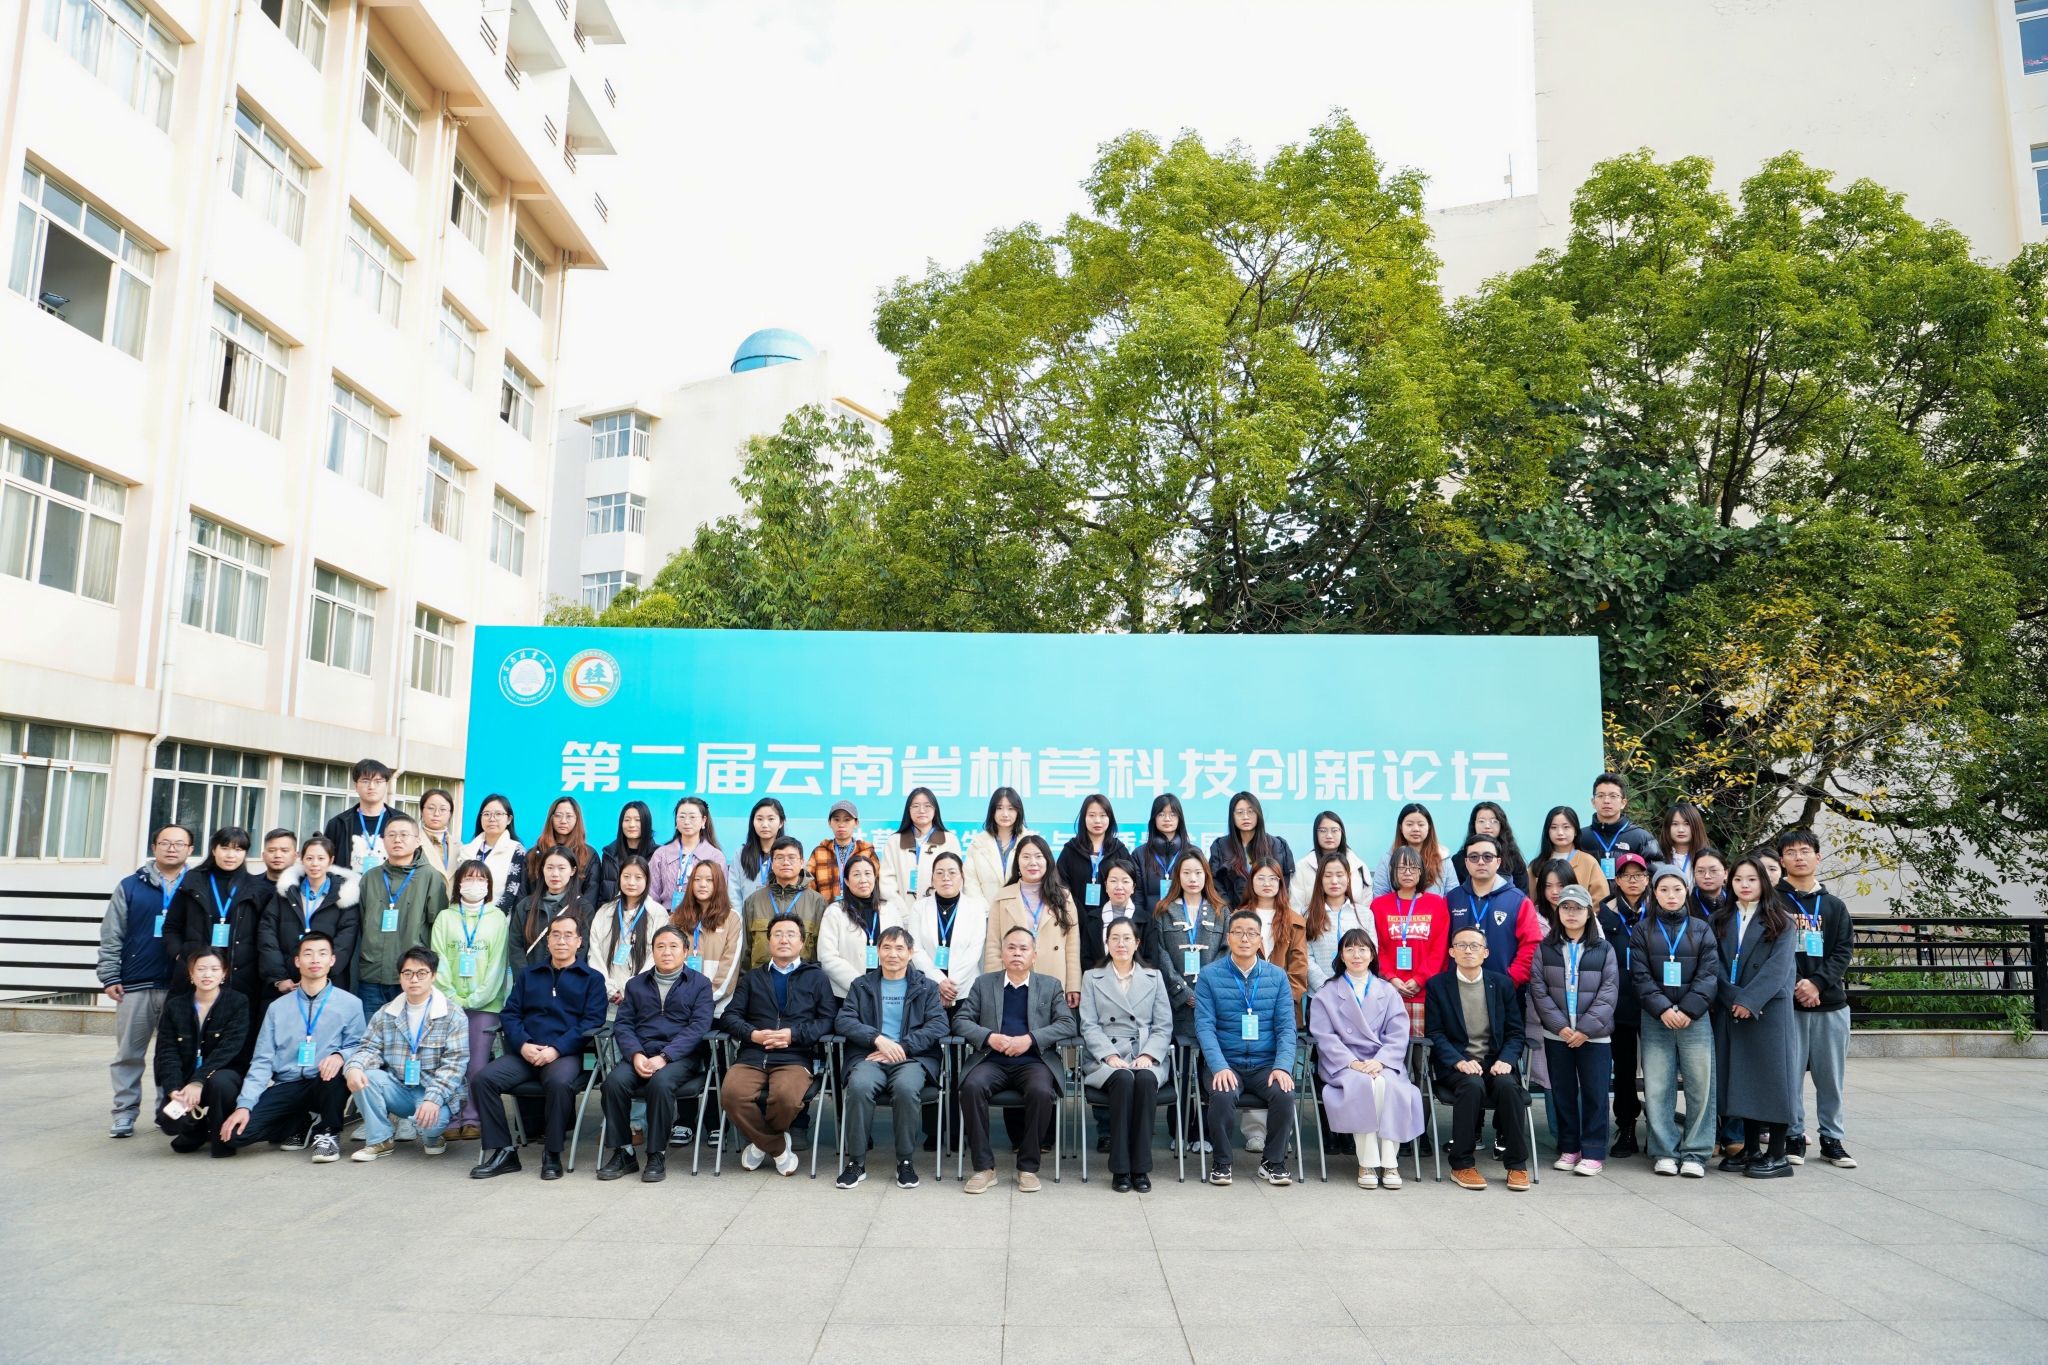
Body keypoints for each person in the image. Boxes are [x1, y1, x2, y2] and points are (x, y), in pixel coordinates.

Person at [470, 913, 608, 1180]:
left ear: (579, 941)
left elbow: (592, 1021)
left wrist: (556, 1049)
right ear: (548, 941)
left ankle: (552, 1153)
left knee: (559, 1083)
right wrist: (523, 1045)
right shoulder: (529, 975)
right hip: (526, 1052)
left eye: (568, 935)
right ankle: (503, 1151)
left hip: (565, 1055)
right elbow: (510, 1014)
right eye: (555, 935)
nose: (561, 941)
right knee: (483, 1079)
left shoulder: (591, 979)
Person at [218, 932, 367, 1161]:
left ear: (332, 960)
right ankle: (301, 1122)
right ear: (297, 961)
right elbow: (262, 1060)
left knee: (336, 1073)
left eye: (322, 954)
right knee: (236, 1136)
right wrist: (244, 1106)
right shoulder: (277, 1008)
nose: (315, 959)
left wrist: (340, 1055)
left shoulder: (350, 1004)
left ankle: (328, 1132)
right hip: (287, 1084)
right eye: (308, 954)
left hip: (323, 1083)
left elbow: (360, 1046)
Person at [955, 925, 1079, 1193]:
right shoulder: (983, 984)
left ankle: (1028, 1167)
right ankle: (984, 1168)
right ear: (1002, 953)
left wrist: (1030, 1039)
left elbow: (1068, 1024)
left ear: (1034, 955)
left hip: (1034, 1061)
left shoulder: (1049, 985)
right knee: (971, 1087)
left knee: (1041, 1092)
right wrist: (989, 1037)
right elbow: (961, 1020)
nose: (1017, 953)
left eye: (1024, 948)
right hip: (991, 1060)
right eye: (1011, 948)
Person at [718, 915, 836, 1175]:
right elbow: (729, 1017)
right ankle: (778, 1147)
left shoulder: (816, 978)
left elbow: (828, 1020)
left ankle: (760, 1145)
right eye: (778, 934)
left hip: (795, 1056)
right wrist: (753, 1035)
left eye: (791, 934)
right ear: (768, 940)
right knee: (732, 1095)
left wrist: (794, 1035)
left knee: (786, 1098)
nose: (784, 939)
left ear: (802, 942)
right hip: (753, 1054)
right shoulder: (753, 978)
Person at [596, 925, 714, 1183]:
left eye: (673, 946)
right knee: (613, 1084)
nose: (666, 952)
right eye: (660, 946)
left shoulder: (700, 984)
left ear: (685, 952)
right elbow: (623, 1024)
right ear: (653, 951)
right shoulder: (636, 984)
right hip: (641, 1053)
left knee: (660, 1084)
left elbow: (699, 1027)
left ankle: (656, 1153)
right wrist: (636, 1054)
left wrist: (665, 1056)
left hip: (680, 1056)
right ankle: (624, 1152)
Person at [1308, 929, 1425, 1189]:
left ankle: (1390, 1161)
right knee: (1364, 1085)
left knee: (1387, 1085)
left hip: (1383, 1062)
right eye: (1350, 949)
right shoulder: (1327, 992)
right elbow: (1324, 1036)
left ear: (1372, 954)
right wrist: (1352, 1063)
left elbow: (1398, 1033)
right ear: (1341, 955)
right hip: (1344, 1064)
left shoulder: (1388, 991)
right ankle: (1368, 1162)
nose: (1356, 955)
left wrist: (1381, 1061)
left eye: (1362, 949)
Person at [97, 823, 191, 1138]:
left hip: (181, 986)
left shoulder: (197, 885)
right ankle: (124, 1113)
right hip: (136, 983)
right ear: (154, 847)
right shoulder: (130, 886)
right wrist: (110, 974)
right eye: (165, 842)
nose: (172, 848)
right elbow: (112, 934)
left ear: (190, 849)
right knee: (128, 1054)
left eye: (179, 844)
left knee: (175, 1055)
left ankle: (169, 1113)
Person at [835, 925, 947, 1188]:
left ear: (911, 952)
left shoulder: (927, 987)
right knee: (859, 1086)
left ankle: (905, 1161)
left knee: (906, 1088)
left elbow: (939, 1024)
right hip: (870, 1056)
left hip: (911, 1058)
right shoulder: (861, 985)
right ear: (877, 951)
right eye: (886, 947)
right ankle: (856, 1162)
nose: (892, 954)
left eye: (899, 948)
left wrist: (903, 1047)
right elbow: (844, 1020)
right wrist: (877, 1039)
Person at [1711, 856, 1800, 1179]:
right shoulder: (1720, 919)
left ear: (1763, 881)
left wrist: (1749, 1000)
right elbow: (1714, 963)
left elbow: (1778, 969)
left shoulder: (1782, 921)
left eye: (1751, 879)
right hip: (1732, 1009)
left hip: (1768, 1011)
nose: (1745, 885)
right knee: (1742, 1081)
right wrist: (1733, 997)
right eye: (1738, 880)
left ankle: (1777, 1154)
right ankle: (1750, 1149)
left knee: (1773, 1081)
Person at [1194, 909, 1297, 1186]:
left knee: (1284, 1093)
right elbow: (1204, 1027)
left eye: (1251, 933)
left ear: (1260, 939)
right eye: (1238, 932)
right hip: (1227, 1062)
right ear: (1228, 937)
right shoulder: (1209, 975)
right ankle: (1222, 1162)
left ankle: (1273, 1162)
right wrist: (1219, 1066)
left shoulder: (1277, 977)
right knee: (1223, 1094)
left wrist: (1282, 1066)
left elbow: (1286, 1028)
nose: (1244, 939)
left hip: (1266, 1064)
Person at [1424, 927, 1530, 1191]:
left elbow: (1516, 1032)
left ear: (1486, 952)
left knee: (1509, 1087)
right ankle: (1461, 1164)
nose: (1468, 950)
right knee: (1471, 1085)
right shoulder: (1438, 985)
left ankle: (1517, 1165)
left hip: (1494, 1062)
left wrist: (1507, 1059)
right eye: (1461, 945)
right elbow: (1435, 1033)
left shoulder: (1502, 984)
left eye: (1474, 946)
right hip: (1457, 1065)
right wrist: (1458, 1061)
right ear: (1452, 952)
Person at [1632, 866, 1721, 1177]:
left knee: (1701, 1085)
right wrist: (1662, 1009)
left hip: (1694, 1019)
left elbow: (1709, 976)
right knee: (1657, 1087)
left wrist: (1687, 1010)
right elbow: (1640, 976)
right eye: (1664, 889)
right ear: (1654, 893)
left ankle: (1696, 1152)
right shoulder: (1642, 930)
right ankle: (1664, 1151)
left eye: (1677, 889)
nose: (1671, 895)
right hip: (1655, 1018)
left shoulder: (1701, 929)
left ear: (1687, 891)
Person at [343, 946, 468, 1161]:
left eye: (422, 973)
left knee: (430, 1127)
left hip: (433, 1090)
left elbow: (455, 1065)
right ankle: (380, 1139)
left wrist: (433, 1099)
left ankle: (433, 1137)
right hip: (399, 1088)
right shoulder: (386, 1012)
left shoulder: (453, 1014)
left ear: (433, 976)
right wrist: (354, 1067)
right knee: (365, 1077)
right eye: (407, 973)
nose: (414, 979)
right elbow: (368, 1048)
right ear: (400, 977)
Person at [1777, 829, 1855, 1169]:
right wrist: (1798, 984)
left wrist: (1817, 984)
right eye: (1791, 852)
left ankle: (1832, 1139)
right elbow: (1771, 951)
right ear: (1782, 860)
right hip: (1788, 1005)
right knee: (1789, 1076)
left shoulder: (1835, 906)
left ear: (1817, 857)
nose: (1799, 857)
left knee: (1831, 1078)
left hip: (1831, 1005)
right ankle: (1793, 1135)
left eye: (1805, 851)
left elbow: (1843, 951)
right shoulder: (1773, 902)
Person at [1529, 885, 1620, 1176]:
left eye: (1578, 908)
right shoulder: (1545, 948)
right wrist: (1561, 1026)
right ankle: (1569, 1148)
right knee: (1563, 1092)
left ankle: (1593, 1152)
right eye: (1566, 908)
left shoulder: (1603, 949)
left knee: (1595, 1094)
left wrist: (1585, 1029)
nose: (1571, 913)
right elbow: (1539, 990)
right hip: (1557, 1035)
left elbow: (1609, 992)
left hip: (1595, 1036)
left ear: (1589, 913)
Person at [1079, 917, 1173, 1191]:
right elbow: (1089, 1024)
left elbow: (1163, 1025)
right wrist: (1109, 1055)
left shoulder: (1154, 977)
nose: (1121, 944)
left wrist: (1149, 1056)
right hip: (1105, 1057)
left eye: (1127, 938)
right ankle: (1120, 1169)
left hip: (1144, 1052)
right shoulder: (1092, 977)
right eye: (1115, 938)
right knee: (1121, 1079)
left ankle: (1140, 1168)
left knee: (1144, 1079)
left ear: (1137, 943)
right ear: (1106, 943)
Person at [432, 858, 514, 1142]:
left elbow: (498, 964)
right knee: (451, 1062)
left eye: (481, 879)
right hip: (448, 1004)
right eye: (469, 878)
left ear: (489, 886)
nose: (475, 884)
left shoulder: (497, 918)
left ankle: (473, 1117)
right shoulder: (445, 918)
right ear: (458, 884)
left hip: (486, 1005)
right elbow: (438, 959)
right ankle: (451, 1116)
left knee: (477, 1065)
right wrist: (452, 996)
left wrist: (477, 998)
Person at [165, 827, 266, 1038]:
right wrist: (181, 955)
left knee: (232, 1038)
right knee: (187, 1034)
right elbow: (172, 926)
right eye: (225, 848)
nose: (231, 855)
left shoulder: (256, 887)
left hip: (240, 974)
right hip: (196, 972)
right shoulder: (193, 880)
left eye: (238, 849)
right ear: (213, 849)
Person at [152, 947, 250, 1156]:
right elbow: (167, 1052)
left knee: (221, 1083)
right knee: (169, 1121)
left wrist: (199, 1081)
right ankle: (197, 1129)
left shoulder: (237, 1002)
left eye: (214, 969)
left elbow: (228, 1049)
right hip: (186, 1080)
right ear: (191, 973)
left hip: (221, 1076)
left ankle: (222, 1140)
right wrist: (174, 1089)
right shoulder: (175, 1006)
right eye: (201, 969)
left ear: (224, 973)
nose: (207, 974)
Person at [355, 813, 450, 1014]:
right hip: (372, 975)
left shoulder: (430, 877)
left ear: (417, 841)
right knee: (371, 1031)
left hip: (412, 977)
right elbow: (360, 924)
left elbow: (438, 927)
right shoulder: (370, 878)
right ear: (383, 840)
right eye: (391, 835)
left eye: (404, 835)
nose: (397, 839)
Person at [1597, 850, 1654, 1156]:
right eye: (1626, 875)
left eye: (1639, 875)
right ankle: (1627, 1126)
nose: (1633, 881)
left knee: (1657, 1068)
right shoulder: (1604, 915)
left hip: (1654, 1002)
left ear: (1647, 879)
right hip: (1618, 1003)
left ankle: (1658, 1128)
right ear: (1617, 880)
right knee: (1624, 1068)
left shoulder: (1658, 910)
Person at [985, 834, 1081, 1007]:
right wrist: (993, 984)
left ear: (1048, 861)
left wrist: (1073, 985)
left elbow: (1072, 946)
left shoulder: (1063, 897)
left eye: (1038, 856)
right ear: (1018, 862)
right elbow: (993, 946)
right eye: (1026, 857)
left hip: (1054, 977)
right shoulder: (1003, 897)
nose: (1033, 862)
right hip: (1012, 979)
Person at [260, 836, 361, 997]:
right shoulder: (286, 892)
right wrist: (279, 977)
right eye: (309, 858)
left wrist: (318, 976)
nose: (315, 864)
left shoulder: (345, 896)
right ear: (301, 859)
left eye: (321, 858)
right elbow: (267, 935)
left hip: (327, 983)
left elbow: (344, 943)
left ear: (330, 860)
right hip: (288, 982)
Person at [1370, 846, 1450, 1037]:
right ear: (1392, 872)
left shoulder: (1437, 904)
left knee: (1419, 1050)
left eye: (1413, 868)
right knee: (1388, 1045)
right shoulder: (1378, 906)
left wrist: (1420, 979)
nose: (1407, 872)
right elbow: (1376, 947)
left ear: (1421, 872)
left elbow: (1439, 949)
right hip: (1388, 991)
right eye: (1401, 868)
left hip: (1425, 993)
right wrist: (1391, 977)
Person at [1445, 834, 1544, 988]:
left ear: (1498, 862)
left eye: (1487, 857)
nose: (1480, 862)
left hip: (1504, 990)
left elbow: (1531, 945)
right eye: (1474, 857)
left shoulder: (1518, 901)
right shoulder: (1452, 899)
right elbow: (1441, 944)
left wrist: (1511, 980)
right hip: (1457, 988)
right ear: (1466, 862)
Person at [907, 851, 987, 1012]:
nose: (946, 877)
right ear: (932, 879)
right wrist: (939, 982)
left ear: (962, 877)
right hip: (929, 989)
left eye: (952, 872)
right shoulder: (919, 908)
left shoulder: (976, 908)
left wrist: (951, 986)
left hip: (965, 990)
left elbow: (974, 951)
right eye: (939, 873)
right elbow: (916, 949)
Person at [672, 857, 747, 1014]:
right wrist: (679, 998)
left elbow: (729, 968)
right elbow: (668, 961)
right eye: (697, 879)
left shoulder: (732, 918)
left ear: (718, 884)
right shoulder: (676, 918)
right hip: (678, 1005)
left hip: (717, 1009)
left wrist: (704, 999)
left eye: (709, 880)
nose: (702, 884)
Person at [739, 836, 826, 967]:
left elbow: (821, 952)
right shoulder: (753, 901)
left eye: (792, 857)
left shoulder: (817, 902)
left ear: (802, 862)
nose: (786, 862)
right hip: (762, 977)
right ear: (772, 863)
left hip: (802, 977)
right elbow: (745, 949)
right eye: (779, 858)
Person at [877, 786, 966, 911]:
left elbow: (957, 879)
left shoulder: (949, 840)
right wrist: (902, 911)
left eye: (927, 806)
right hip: (901, 913)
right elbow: (886, 883)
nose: (922, 810)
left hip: (940, 912)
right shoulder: (894, 841)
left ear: (935, 810)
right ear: (908, 810)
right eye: (915, 806)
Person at [589, 854, 658, 1012]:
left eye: (638, 877)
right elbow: (594, 953)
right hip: (607, 998)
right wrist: (609, 988)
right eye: (626, 876)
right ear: (619, 878)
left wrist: (631, 988)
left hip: (643, 1000)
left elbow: (655, 958)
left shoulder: (657, 913)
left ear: (647, 880)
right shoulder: (605, 911)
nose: (631, 882)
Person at [1056, 793, 1132, 935]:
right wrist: (1076, 911)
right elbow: (1060, 885)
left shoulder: (1119, 850)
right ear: (1084, 818)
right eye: (1091, 815)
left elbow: (1130, 884)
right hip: (1075, 921)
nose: (1097, 820)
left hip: (1112, 922)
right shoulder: (1070, 850)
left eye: (1103, 815)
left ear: (1110, 818)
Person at [819, 851, 892, 998]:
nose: (863, 879)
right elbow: (827, 957)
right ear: (846, 881)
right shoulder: (835, 912)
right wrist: (861, 985)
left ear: (875, 877)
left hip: (885, 992)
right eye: (856, 874)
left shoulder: (890, 910)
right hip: (846, 994)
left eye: (868, 873)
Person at [1207, 791, 1296, 911]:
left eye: (1251, 811)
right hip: (1233, 913)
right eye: (1240, 812)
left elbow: (1284, 881)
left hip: (1269, 911)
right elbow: (1215, 883)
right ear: (1232, 816)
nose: (1245, 817)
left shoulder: (1276, 845)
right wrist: (1229, 912)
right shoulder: (1221, 846)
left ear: (1258, 814)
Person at [1303, 853, 1376, 995]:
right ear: (1320, 879)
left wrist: (1354, 985)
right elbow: (1305, 956)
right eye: (1328, 875)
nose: (1334, 881)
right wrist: (1326, 988)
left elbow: (1372, 951)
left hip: (1357, 992)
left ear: (1348, 878)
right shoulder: (1307, 914)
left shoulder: (1364, 914)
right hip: (1320, 994)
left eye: (1339, 875)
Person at [1240, 857, 1309, 1003]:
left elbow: (1299, 966)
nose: (1267, 883)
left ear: (1280, 883)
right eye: (1261, 878)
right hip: (1246, 1000)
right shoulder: (1238, 919)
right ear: (1251, 881)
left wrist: (1285, 1001)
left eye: (1273, 878)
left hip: (1284, 1001)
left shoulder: (1295, 921)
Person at [514, 847, 592, 969]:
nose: (555, 874)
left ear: (572, 871)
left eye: (561, 868)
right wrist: (526, 977)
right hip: (530, 978)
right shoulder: (525, 905)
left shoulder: (583, 908)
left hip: (567, 978)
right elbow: (515, 945)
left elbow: (583, 947)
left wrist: (564, 976)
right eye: (549, 868)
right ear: (542, 870)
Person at [1578, 772, 1663, 880]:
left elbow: (1657, 876)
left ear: (1623, 803)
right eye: (1600, 796)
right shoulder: (1581, 837)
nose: (1606, 801)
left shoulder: (1642, 838)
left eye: (1613, 796)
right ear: (1593, 802)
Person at [1288, 810, 1372, 911]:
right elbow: (1295, 906)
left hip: (1353, 920)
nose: (1329, 836)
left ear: (1342, 833)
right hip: (1312, 920)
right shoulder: (1302, 866)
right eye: (1323, 830)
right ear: (1316, 833)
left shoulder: (1358, 866)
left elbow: (1366, 904)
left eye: (1334, 830)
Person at [649, 796, 722, 909]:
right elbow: (651, 895)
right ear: (676, 821)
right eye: (682, 817)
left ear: (703, 820)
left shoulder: (715, 856)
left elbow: (720, 896)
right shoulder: (661, 854)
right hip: (665, 916)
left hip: (704, 916)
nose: (686, 822)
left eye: (692, 817)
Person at [1371, 803, 1456, 898]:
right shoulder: (1388, 859)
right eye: (1409, 824)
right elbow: (1379, 896)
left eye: (1421, 824)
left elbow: (1453, 896)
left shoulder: (1442, 858)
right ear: (1401, 827)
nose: (1415, 829)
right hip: (1397, 908)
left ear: (1429, 827)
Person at [323, 758, 394, 871]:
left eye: (378, 781)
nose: (371, 786)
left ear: (386, 785)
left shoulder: (401, 822)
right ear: (356, 786)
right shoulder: (338, 824)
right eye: (365, 781)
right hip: (348, 882)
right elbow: (325, 862)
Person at [964, 787, 1030, 907]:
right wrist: (985, 911)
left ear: (1018, 811)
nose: (1005, 814)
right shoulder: (977, 844)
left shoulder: (1030, 842)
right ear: (992, 811)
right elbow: (970, 882)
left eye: (1011, 808)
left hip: (1022, 912)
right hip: (985, 913)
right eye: (999, 808)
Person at [460, 793, 527, 910]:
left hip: (498, 917)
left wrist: (492, 917)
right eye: (486, 814)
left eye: (498, 814)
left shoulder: (516, 850)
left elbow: (511, 892)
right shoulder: (467, 850)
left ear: (509, 819)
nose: (492, 819)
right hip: (465, 914)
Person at [1133, 793, 1194, 922]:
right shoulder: (1139, 854)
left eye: (1173, 814)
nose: (1167, 819)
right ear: (1154, 818)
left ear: (1180, 819)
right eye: (1161, 814)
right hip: (1150, 924)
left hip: (1185, 924)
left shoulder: (1193, 853)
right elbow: (1137, 896)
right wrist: (1142, 925)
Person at [1079, 858, 1146, 972]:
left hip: (1137, 981)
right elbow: (1086, 958)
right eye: (1113, 881)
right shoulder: (1092, 919)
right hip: (1098, 980)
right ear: (1106, 885)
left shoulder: (1146, 920)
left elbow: (1150, 959)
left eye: (1125, 881)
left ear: (1133, 887)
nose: (1119, 886)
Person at [1537, 806, 1610, 907]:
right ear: (1547, 831)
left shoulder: (1588, 862)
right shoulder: (1537, 866)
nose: (1560, 833)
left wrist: (1582, 915)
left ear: (1575, 830)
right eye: (1554, 827)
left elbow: (1600, 901)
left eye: (1566, 827)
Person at [1450, 802, 1531, 894]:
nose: (1487, 826)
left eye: (1494, 821)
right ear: (1474, 824)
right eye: (1481, 821)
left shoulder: (1513, 858)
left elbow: (1522, 894)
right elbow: (1456, 893)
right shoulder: (1459, 859)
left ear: (1501, 825)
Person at [806, 799, 873, 906]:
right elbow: (808, 886)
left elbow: (876, 885)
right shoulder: (819, 852)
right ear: (829, 823)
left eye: (847, 820)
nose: (841, 824)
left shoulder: (867, 852)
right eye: (836, 820)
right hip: (826, 912)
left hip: (860, 912)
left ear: (856, 823)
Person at [595, 800, 659, 908]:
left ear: (646, 823)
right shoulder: (609, 854)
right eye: (627, 820)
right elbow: (602, 895)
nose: (632, 825)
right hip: (613, 914)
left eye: (638, 820)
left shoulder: (658, 855)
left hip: (648, 914)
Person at [725, 797, 787, 907]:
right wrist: (739, 917)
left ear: (781, 822)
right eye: (759, 819)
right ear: (752, 821)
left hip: (779, 916)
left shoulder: (788, 854)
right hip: (746, 916)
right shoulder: (741, 854)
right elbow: (733, 894)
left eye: (771, 819)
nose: (765, 824)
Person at [416, 788, 462, 891]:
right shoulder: (412, 842)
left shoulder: (459, 845)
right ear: (422, 811)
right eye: (431, 808)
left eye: (443, 809)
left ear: (450, 814)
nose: (436, 813)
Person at [1658, 801, 1709, 884]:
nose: (1681, 830)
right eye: (1675, 824)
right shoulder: (1658, 857)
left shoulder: (1707, 858)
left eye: (1687, 824)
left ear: (1696, 826)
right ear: (1667, 827)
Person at [1691, 848, 1732, 921]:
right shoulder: (1687, 905)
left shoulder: (1736, 901)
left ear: (1725, 873)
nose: (1707, 876)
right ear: (1694, 874)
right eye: (1700, 871)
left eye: (1713, 870)